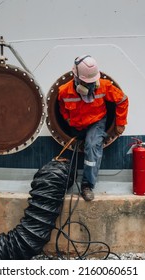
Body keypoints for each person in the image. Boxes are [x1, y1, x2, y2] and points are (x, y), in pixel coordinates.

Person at [58, 55, 129, 201]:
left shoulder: (104, 86)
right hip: (77, 125)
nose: (91, 86)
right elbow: (62, 108)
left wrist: (120, 122)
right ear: (76, 78)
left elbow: (122, 99)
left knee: (91, 146)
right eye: (86, 82)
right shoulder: (64, 91)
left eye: (92, 82)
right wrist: (68, 120)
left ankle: (87, 185)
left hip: (96, 122)